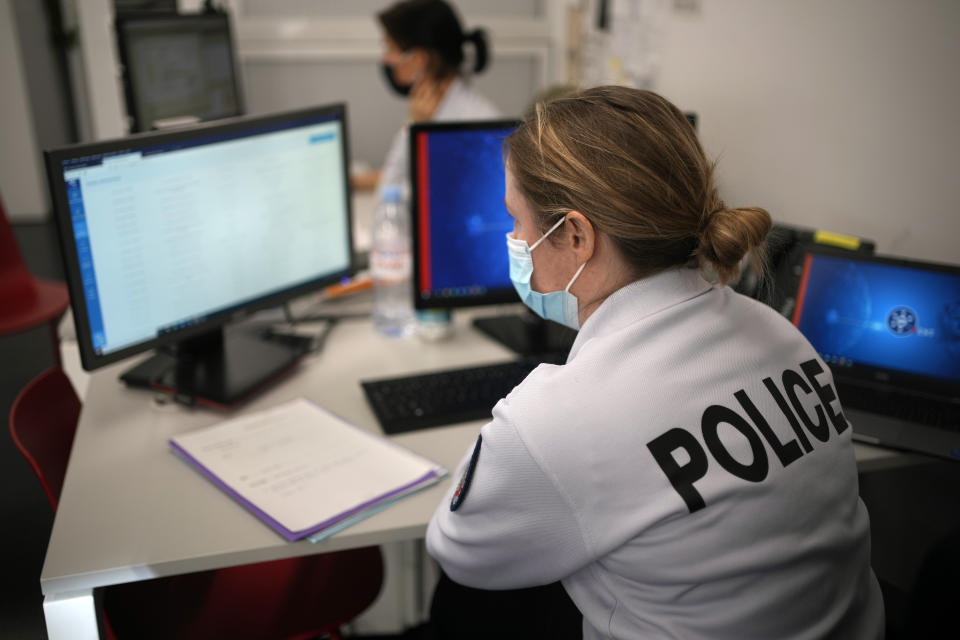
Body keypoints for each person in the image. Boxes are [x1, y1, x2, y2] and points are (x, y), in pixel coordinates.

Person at [425, 86, 885, 639]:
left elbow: (460, 551)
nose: (516, 241)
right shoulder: (783, 337)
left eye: (517, 221)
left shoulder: (558, 416)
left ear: (575, 236)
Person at [356, 0, 501, 195]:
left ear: (419, 59)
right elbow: (410, 174)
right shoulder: (447, 109)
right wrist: (358, 181)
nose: (385, 59)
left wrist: (413, 127)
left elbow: (391, 196)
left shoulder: (464, 129)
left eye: (390, 49)